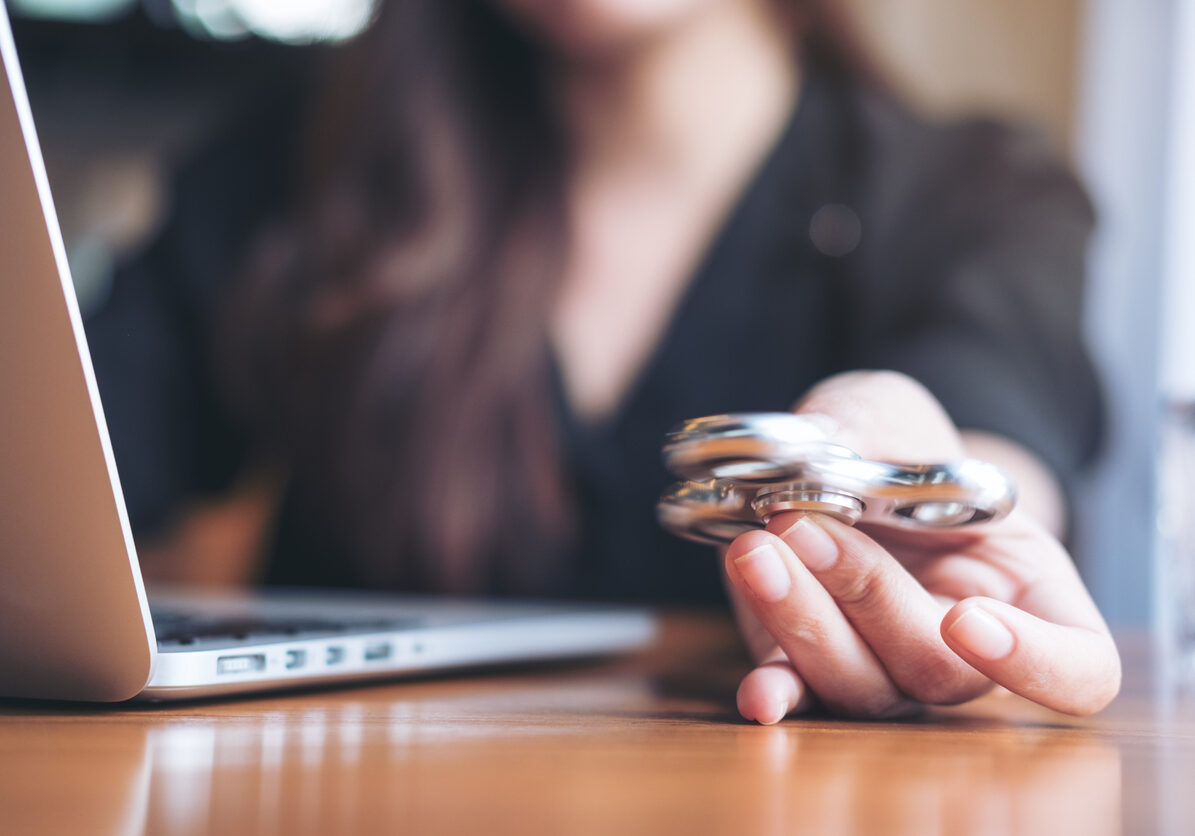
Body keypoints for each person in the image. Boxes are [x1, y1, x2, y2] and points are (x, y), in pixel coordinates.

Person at [85, 0, 1121, 723]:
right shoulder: (291, 165)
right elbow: (70, 460)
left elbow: (996, 418)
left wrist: (948, 531)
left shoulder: (976, 196)